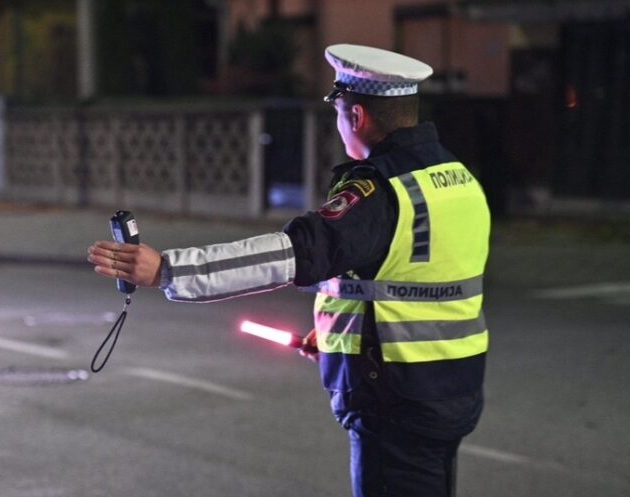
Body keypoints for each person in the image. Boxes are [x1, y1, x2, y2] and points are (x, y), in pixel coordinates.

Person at [87, 44, 491, 497]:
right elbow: (413, 275)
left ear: (356, 116)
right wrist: (344, 337)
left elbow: (290, 254)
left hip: (397, 398)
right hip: (452, 386)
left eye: (339, 114)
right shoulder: (457, 178)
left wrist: (167, 269)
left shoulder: (380, 192)